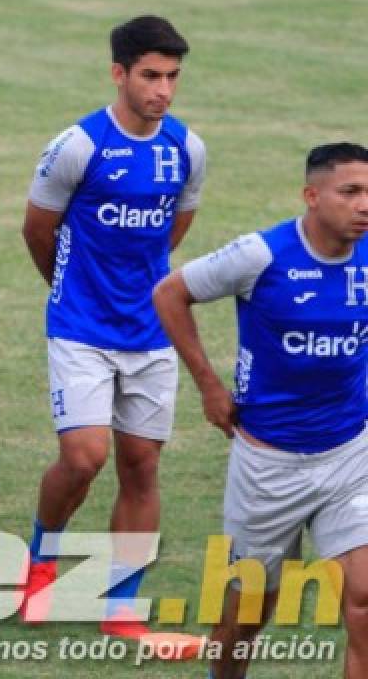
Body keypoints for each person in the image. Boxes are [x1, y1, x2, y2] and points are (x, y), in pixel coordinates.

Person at [19, 16, 205, 655]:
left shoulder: (186, 148)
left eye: (172, 77)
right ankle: (40, 561)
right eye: (151, 76)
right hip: (80, 327)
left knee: (141, 465)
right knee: (84, 457)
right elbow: (37, 230)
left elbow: (172, 230)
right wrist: (71, 288)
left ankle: (120, 606)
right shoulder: (78, 145)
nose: (163, 90)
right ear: (119, 73)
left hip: (152, 333)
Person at [154, 142, 368, 679]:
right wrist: (208, 385)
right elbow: (169, 293)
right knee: (249, 610)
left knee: (364, 597)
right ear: (312, 196)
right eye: (351, 192)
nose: (364, 205)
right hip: (268, 465)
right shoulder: (261, 255)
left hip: (349, 454)